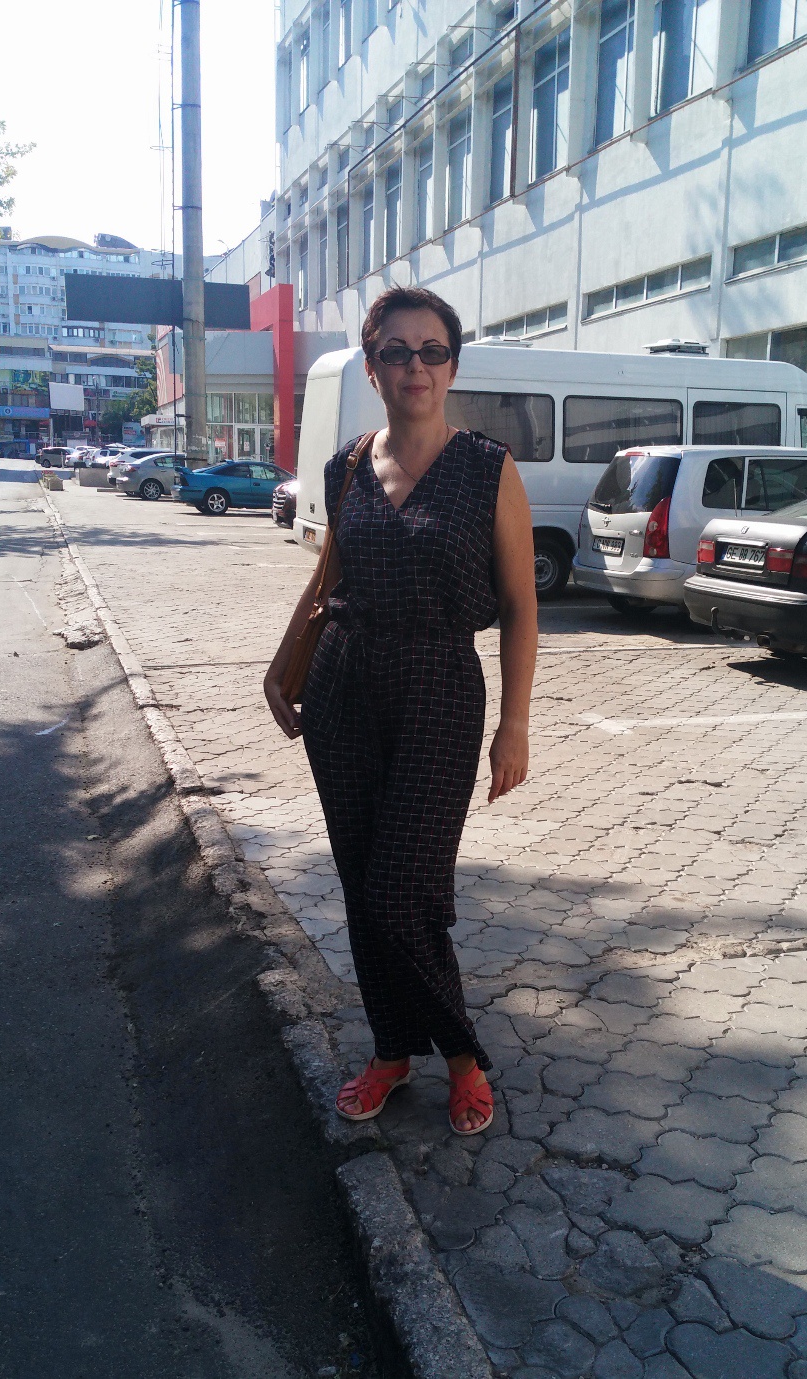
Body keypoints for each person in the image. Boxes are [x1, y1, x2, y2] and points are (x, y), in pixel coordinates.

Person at [264, 286, 538, 1135]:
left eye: (431, 350)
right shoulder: (345, 464)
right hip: (343, 685)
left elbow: (522, 605)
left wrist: (516, 724)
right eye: (395, 350)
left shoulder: (489, 468)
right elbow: (328, 580)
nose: (414, 365)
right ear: (373, 365)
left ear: (451, 366)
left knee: (402, 887)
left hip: (440, 689)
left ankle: (460, 1057)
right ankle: (390, 1050)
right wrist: (280, 667)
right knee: (361, 881)